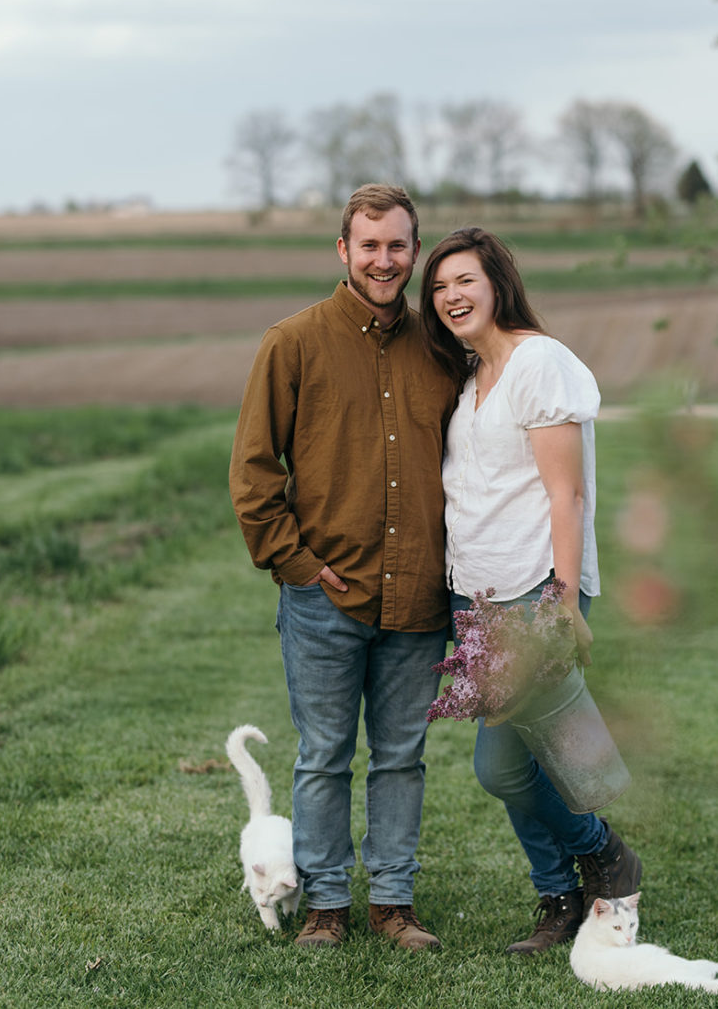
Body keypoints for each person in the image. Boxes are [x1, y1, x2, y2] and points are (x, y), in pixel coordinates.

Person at [229, 184, 457, 952]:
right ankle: (325, 902)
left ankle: (393, 902)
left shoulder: (441, 349)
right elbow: (254, 471)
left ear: (414, 251)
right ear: (343, 250)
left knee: (401, 756)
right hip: (326, 594)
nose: (385, 260)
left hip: (420, 593)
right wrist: (294, 563)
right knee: (323, 755)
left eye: (398, 245)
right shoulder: (293, 343)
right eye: (370, 245)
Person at [419, 226, 642, 956]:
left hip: (533, 592)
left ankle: (601, 851)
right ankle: (561, 897)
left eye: (465, 282)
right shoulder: (469, 378)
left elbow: (566, 494)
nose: (452, 296)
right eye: (440, 286)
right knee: (528, 760)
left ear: (497, 285)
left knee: (503, 763)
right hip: (476, 600)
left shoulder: (539, 363)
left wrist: (566, 600)